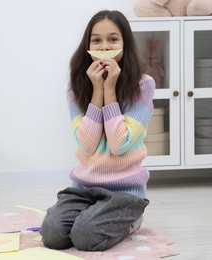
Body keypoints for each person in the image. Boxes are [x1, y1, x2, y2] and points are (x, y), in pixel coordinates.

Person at [40, 10, 155, 252]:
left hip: (125, 191)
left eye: (113, 39)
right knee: (52, 234)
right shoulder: (77, 85)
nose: (104, 47)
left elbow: (119, 144)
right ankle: (93, 215)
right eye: (96, 40)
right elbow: (87, 145)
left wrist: (110, 89)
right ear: (87, 45)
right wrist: (97, 91)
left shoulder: (143, 85)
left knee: (85, 237)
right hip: (84, 188)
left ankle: (131, 219)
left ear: (125, 43)